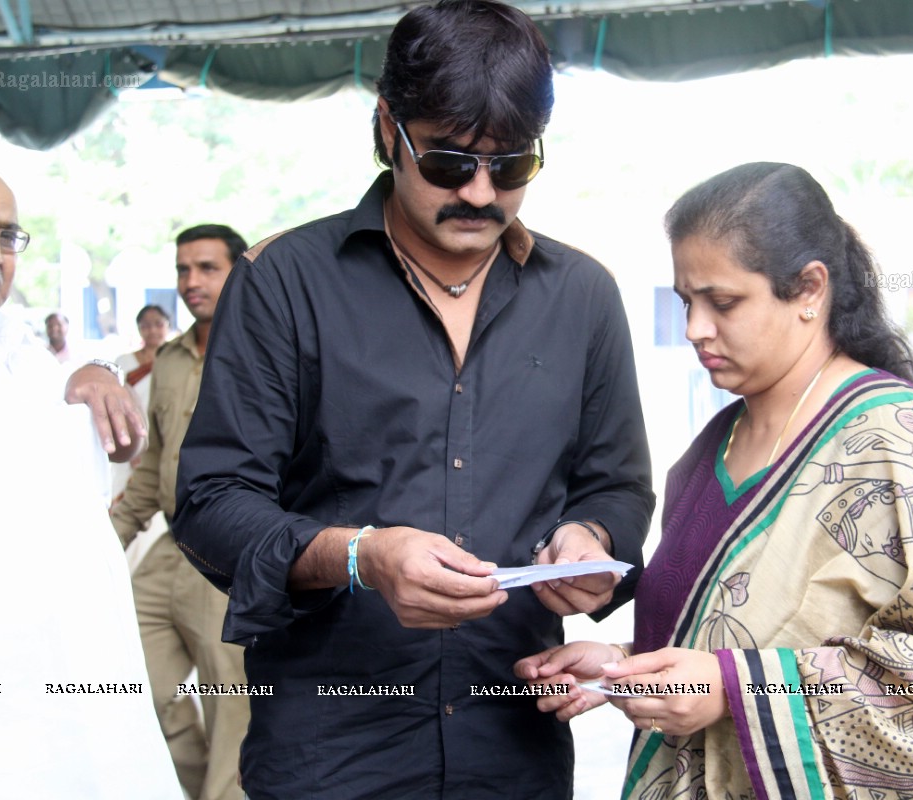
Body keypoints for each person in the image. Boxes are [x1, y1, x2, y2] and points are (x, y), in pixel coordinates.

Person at [171, 2, 654, 798]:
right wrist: (360, 556)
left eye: (512, 166)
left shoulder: (583, 297)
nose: (480, 191)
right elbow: (211, 505)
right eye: (448, 162)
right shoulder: (286, 284)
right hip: (331, 751)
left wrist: (591, 537)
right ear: (386, 128)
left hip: (514, 748)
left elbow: (620, 484)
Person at [517, 163, 913, 800]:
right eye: (686, 302)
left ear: (809, 289)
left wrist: (732, 689)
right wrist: (621, 665)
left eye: (723, 303)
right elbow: (725, 633)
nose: (695, 328)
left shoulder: (904, 445)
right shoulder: (706, 454)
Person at [0, 163, 181, 798]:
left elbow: (55, 398)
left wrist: (95, 368)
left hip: (78, 680)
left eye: (7, 236)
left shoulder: (15, 345)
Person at [111, 225, 251, 800]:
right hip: (168, 551)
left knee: (231, 710)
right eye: (182, 270)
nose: (190, 282)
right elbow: (152, 467)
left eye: (206, 268)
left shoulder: (264, 353)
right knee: (137, 689)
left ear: (238, 272)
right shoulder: (167, 360)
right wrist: (101, 542)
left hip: (230, 555)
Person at [111, 303, 172, 503]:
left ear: (167, 326)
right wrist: (132, 444)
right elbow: (116, 405)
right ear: (139, 329)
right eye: (146, 325)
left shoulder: (179, 363)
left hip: (165, 441)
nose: (153, 330)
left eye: (158, 324)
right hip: (129, 440)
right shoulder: (123, 362)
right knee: (121, 499)